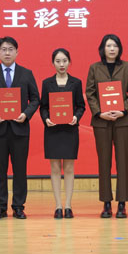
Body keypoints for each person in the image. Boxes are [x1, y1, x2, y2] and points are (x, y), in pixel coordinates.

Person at [0, 36, 40, 220]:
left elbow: (35, 99)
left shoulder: (26, 73)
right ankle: (0, 207)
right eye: (4, 49)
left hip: (20, 129)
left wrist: (26, 114)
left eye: (11, 49)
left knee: (20, 169)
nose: (7, 53)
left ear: (17, 52)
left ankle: (18, 206)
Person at [85, 34, 128, 218]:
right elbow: (90, 93)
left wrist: (123, 110)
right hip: (101, 121)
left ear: (119, 48)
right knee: (104, 161)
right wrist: (99, 112)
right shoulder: (94, 68)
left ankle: (122, 203)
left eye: (115, 45)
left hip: (122, 121)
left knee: (123, 162)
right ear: (103, 49)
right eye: (108, 46)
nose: (112, 49)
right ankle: (106, 203)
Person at [39, 48, 86, 219]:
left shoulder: (76, 82)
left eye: (64, 61)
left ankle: (68, 205)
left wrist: (76, 117)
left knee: (69, 167)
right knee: (55, 167)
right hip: (52, 130)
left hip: (70, 129)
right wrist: (46, 119)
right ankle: (58, 206)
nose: (61, 64)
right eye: (58, 61)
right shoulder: (47, 83)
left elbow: (81, 106)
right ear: (53, 63)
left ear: (69, 62)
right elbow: (43, 106)